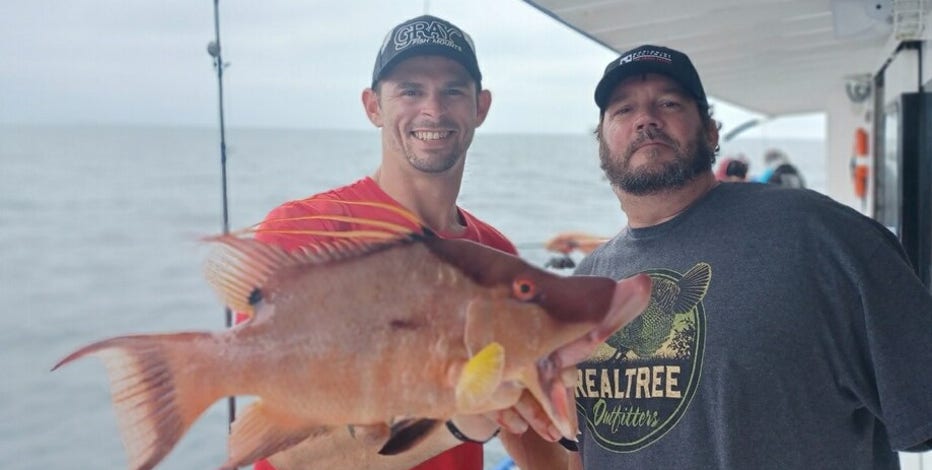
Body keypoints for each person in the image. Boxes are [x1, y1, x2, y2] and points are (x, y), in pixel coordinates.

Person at [500, 44, 932, 469]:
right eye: (623, 110)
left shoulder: (822, 237)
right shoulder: (586, 284)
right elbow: (579, 452)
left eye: (668, 103)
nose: (646, 119)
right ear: (602, 143)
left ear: (711, 131)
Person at [239, 15, 507, 470]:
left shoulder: (498, 255)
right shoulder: (303, 232)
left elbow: (525, 431)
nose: (434, 110)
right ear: (373, 107)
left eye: (453, 90)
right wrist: (458, 421)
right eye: (410, 90)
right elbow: (285, 454)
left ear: (480, 107)